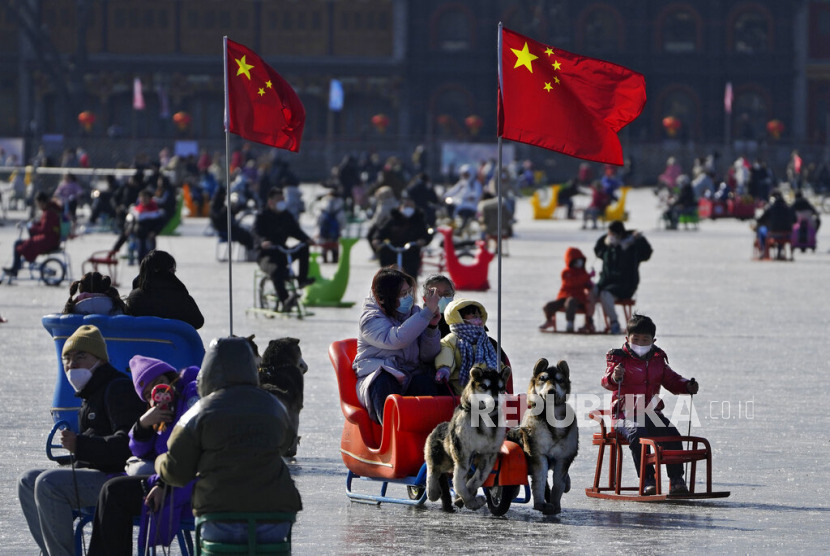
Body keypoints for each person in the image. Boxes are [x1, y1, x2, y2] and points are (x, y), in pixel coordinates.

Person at [155, 337, 302, 544]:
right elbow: (285, 442)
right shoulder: (274, 406)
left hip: (221, 521)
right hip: (275, 521)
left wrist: (159, 461)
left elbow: (176, 473)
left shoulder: (198, 412)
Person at [18, 325, 145, 556]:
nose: (71, 364)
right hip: (95, 473)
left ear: (99, 359)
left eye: (80, 356)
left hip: (117, 480)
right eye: (66, 358)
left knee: (48, 483)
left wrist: (81, 445)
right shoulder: (90, 394)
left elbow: (127, 446)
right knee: (27, 481)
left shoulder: (117, 388)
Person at [88, 356, 199, 555]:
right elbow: (140, 451)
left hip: (186, 482)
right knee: (110, 490)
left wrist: (162, 484)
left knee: (115, 492)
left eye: (160, 384)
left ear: (171, 378)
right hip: (170, 478)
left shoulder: (191, 397)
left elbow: (191, 450)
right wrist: (143, 426)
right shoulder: (161, 415)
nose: (159, 395)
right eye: (149, 394)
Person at [601, 314, 699, 495]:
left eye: (645, 340)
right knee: (638, 434)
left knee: (672, 435)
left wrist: (686, 385)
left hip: (651, 414)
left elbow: (672, 380)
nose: (639, 343)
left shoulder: (657, 360)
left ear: (653, 341)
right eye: (635, 339)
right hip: (625, 414)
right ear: (627, 339)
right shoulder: (618, 359)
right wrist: (615, 376)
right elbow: (607, 381)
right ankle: (648, 479)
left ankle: (676, 480)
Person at [353, 267, 443, 424]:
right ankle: (392, 433)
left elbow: (428, 356)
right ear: (386, 297)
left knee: (426, 383)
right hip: (378, 378)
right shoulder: (370, 319)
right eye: (402, 294)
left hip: (409, 375)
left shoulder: (415, 313)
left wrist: (431, 328)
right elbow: (396, 339)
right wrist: (427, 312)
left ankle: (430, 435)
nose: (408, 298)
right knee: (384, 380)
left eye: (409, 292)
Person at [253, 187, 315, 312]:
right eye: (278, 200)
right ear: (270, 202)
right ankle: (285, 300)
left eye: (283, 199)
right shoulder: (262, 215)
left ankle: (302, 279)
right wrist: (263, 242)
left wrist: (307, 239)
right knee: (276, 271)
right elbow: (255, 233)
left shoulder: (286, 216)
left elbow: (295, 231)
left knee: (303, 248)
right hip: (266, 255)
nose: (282, 202)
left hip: (282, 252)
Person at [434, 299, 507, 396]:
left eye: (478, 316)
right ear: (458, 317)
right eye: (473, 316)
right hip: (461, 383)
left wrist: (501, 371)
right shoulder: (452, 340)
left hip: (487, 382)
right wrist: (445, 368)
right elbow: (445, 353)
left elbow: (492, 356)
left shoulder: (484, 340)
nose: (478, 319)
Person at [593, 221, 652, 334]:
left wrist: (636, 238)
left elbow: (647, 253)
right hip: (606, 283)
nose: (609, 235)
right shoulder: (608, 245)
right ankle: (588, 322)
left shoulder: (632, 246)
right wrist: (606, 239)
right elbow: (597, 249)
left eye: (611, 233)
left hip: (626, 285)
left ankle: (614, 322)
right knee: (590, 292)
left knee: (605, 294)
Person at [125, 250, 204, 329]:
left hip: (143, 340)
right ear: (169, 272)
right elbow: (198, 321)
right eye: (173, 271)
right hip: (174, 340)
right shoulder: (178, 296)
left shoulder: (134, 297)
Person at [370, 196, 432, 279]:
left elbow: (427, 233)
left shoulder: (419, 220)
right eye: (406, 206)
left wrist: (423, 240)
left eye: (410, 207)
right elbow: (381, 230)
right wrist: (377, 239)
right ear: (400, 207)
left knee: (410, 277)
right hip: (392, 251)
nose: (408, 209)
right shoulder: (393, 219)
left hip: (411, 252)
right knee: (388, 275)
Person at [3, 191, 62, 278]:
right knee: (18, 242)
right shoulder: (50, 211)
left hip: (48, 241)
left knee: (21, 245)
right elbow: (44, 225)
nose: (38, 206)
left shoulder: (49, 213)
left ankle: (15, 269)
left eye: (38, 204)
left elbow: (44, 229)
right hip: (49, 238)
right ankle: (15, 268)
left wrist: (32, 227)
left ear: (42, 202)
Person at [539, 247, 595, 333]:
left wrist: (589, 284)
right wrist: (587, 276)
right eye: (577, 260)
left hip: (578, 299)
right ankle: (549, 320)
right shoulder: (566, 272)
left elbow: (584, 283)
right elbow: (573, 282)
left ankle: (570, 323)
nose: (579, 262)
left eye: (580, 260)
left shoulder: (583, 272)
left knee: (570, 302)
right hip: (563, 297)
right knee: (548, 306)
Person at [210, 188, 254, 252]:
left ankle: (251, 250)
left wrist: (237, 207)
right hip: (223, 229)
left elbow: (232, 212)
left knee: (246, 231)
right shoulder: (215, 205)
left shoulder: (220, 204)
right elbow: (219, 216)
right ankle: (251, 250)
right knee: (244, 234)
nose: (225, 198)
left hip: (229, 227)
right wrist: (227, 208)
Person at [755, 191, 796, 258]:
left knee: (761, 230)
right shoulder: (788, 208)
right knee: (781, 230)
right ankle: (779, 252)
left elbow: (761, 219)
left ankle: (763, 251)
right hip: (787, 234)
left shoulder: (771, 208)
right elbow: (795, 219)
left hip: (773, 234)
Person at [443, 164, 483, 232]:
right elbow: (453, 190)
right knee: (450, 207)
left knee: (465, 214)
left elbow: (478, 194)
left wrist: (471, 197)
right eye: (464, 174)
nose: (465, 176)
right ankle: (452, 223)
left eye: (466, 174)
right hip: (459, 203)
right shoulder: (461, 183)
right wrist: (444, 196)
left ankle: (461, 229)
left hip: (470, 205)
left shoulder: (475, 183)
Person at [315, 186, 347, 263]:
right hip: (335, 231)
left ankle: (324, 258)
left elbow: (319, 219)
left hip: (324, 231)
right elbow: (342, 221)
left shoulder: (323, 204)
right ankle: (335, 259)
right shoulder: (339, 206)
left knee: (324, 245)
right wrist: (341, 229)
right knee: (335, 245)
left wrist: (317, 230)